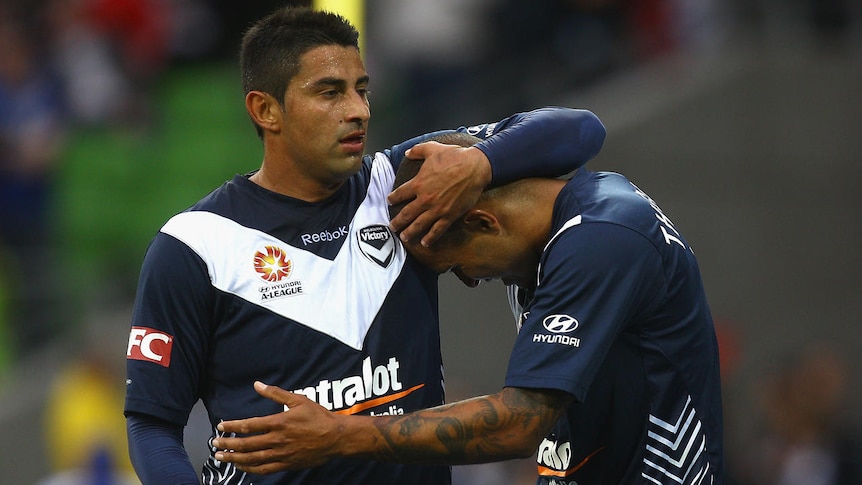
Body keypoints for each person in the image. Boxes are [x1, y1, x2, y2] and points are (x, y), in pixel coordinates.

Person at [123, 6, 607, 485]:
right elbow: (152, 425)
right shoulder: (194, 245)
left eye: (362, 90)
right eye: (329, 92)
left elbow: (582, 129)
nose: (358, 111)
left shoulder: (401, 186)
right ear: (265, 109)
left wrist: (482, 163)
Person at [211, 132, 725, 484]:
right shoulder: (565, 223)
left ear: (482, 222)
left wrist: (340, 434)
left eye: (455, 263)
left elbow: (520, 423)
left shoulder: (601, 240)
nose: (470, 281)